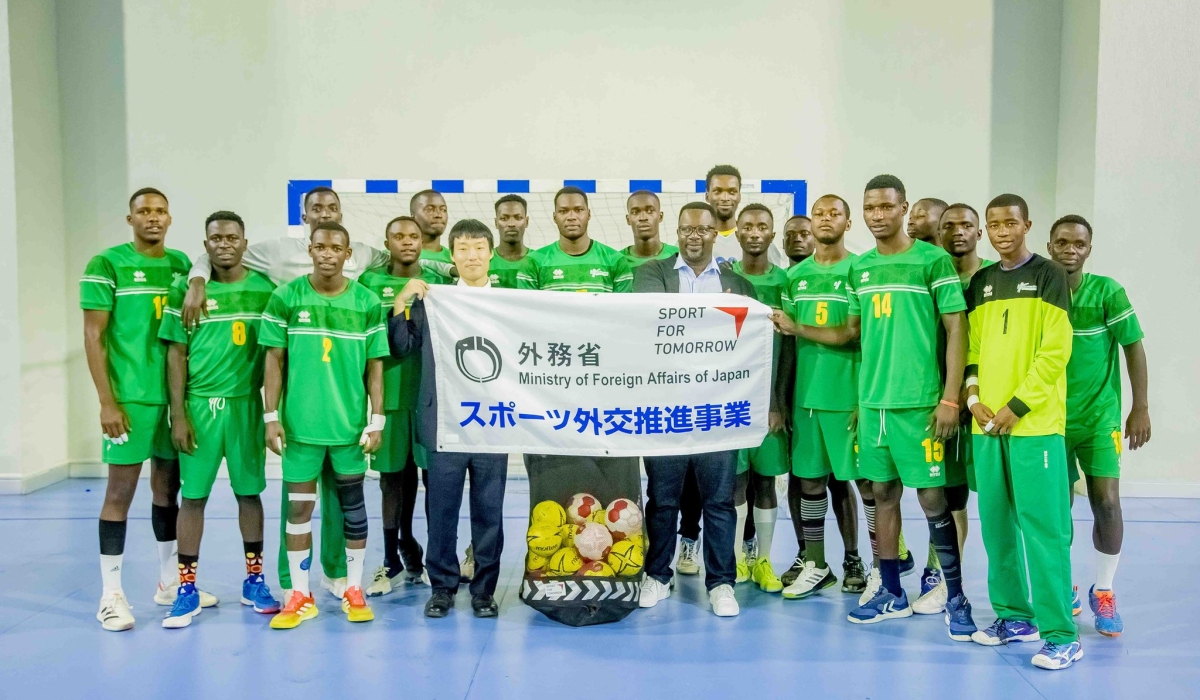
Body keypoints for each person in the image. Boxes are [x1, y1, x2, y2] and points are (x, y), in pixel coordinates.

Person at [179, 186, 447, 598]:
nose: (325, 217)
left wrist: (449, 271)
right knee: (298, 499)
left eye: (332, 209)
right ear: (305, 226)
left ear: (346, 249)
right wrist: (197, 279)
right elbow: (218, 251)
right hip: (302, 402)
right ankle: (291, 584)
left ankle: (338, 575)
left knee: (343, 498)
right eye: (316, 210)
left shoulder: (364, 268)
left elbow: (407, 258)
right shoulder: (275, 262)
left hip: (346, 400)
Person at [772, 175, 975, 639]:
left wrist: (949, 397)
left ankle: (957, 597)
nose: (877, 215)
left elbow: (956, 330)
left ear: (903, 208)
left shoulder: (932, 260)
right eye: (871, 208)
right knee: (882, 496)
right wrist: (799, 330)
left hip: (920, 404)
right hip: (872, 405)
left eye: (886, 206)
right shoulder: (859, 270)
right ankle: (890, 593)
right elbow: (851, 333)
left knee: (931, 499)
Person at [81, 188, 213, 631]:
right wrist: (106, 401)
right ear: (130, 218)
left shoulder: (180, 264)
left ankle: (168, 583)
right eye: (144, 212)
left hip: (175, 396)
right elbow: (93, 337)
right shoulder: (107, 264)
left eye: (160, 211)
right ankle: (111, 595)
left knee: (166, 490)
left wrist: (197, 279)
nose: (152, 218)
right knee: (120, 493)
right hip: (130, 398)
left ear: (170, 219)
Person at [965, 194, 1081, 670]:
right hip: (987, 427)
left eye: (1010, 222)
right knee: (996, 527)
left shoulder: (1050, 276)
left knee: (1044, 531)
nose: (1001, 230)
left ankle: (1061, 634)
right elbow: (972, 349)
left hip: (1036, 427)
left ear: (1027, 224)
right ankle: (1014, 617)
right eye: (993, 224)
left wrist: (1017, 405)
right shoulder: (982, 281)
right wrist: (973, 399)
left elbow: (1055, 352)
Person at [260, 222, 389, 628]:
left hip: (349, 430)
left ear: (348, 254)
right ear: (310, 250)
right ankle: (298, 594)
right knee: (298, 511)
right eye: (320, 247)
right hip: (300, 430)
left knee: (353, 512)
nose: (328, 253)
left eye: (336, 247)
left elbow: (376, 367)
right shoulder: (285, 297)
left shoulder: (367, 302)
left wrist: (377, 420)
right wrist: (271, 416)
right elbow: (273, 361)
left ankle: (353, 588)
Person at [634, 202, 756, 617]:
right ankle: (657, 575)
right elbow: (654, 324)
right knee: (662, 498)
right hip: (664, 408)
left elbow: (750, 348)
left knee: (719, 501)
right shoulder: (652, 274)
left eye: (703, 229)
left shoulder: (739, 285)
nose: (694, 236)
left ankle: (721, 583)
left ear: (715, 233)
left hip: (717, 410)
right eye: (687, 229)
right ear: (678, 231)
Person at [158, 211, 279, 627]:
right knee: (193, 498)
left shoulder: (265, 290)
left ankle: (254, 579)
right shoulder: (185, 290)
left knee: (249, 494)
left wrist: (271, 413)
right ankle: (187, 588)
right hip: (199, 407)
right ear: (205, 245)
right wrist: (178, 414)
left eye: (232, 237)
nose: (224, 244)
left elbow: (276, 357)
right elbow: (175, 353)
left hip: (245, 406)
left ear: (245, 243)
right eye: (215, 238)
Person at [388, 219, 508, 619]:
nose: (471, 256)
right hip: (445, 423)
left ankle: (484, 590)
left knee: (489, 510)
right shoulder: (432, 302)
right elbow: (402, 346)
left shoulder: (511, 304)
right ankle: (441, 587)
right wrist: (401, 302)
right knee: (441, 509)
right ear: (451, 256)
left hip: (495, 422)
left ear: (491, 253)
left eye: (478, 248)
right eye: (463, 249)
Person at [1048, 213, 1151, 637]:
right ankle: (1066, 586)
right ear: (1050, 245)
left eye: (1079, 243)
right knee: (1055, 508)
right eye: (1063, 242)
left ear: (1089, 249)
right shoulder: (1039, 291)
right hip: (1048, 418)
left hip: (1098, 419)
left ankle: (1104, 591)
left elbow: (1133, 347)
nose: (1071, 249)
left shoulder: (1107, 292)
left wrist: (1139, 406)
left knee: (1106, 501)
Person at [777, 194, 870, 599]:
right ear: (810, 222)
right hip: (805, 400)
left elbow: (855, 334)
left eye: (835, 214)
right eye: (819, 214)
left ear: (848, 223)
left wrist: (864, 400)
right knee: (810, 482)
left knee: (867, 485)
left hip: (847, 398)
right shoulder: (793, 279)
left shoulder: (860, 269)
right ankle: (816, 563)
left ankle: (865, 561)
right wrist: (782, 401)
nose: (826, 219)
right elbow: (783, 347)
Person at [910, 203, 993, 615]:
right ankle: (940, 574)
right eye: (948, 227)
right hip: (943, 399)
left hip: (985, 402)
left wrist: (966, 395)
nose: (957, 232)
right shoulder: (932, 273)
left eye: (965, 225)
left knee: (991, 498)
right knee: (943, 492)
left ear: (979, 232)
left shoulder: (992, 276)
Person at [358, 217, 430, 597]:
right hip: (386, 398)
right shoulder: (369, 284)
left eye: (413, 236)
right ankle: (391, 560)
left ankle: (431, 555)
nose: (406, 242)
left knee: (432, 480)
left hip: (429, 398)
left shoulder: (440, 284)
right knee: (392, 481)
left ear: (422, 241)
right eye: (398, 236)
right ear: (386, 241)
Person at [729, 203, 792, 593]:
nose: (755, 232)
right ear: (736, 233)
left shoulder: (786, 281)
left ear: (772, 235)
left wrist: (777, 403)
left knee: (765, 483)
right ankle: (736, 558)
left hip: (769, 404)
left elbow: (789, 350)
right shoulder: (723, 280)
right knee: (735, 484)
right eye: (747, 226)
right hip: (732, 403)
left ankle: (764, 560)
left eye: (762, 227)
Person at [704, 164, 787, 266]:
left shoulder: (761, 241)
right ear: (707, 196)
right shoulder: (696, 240)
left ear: (739, 196)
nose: (725, 198)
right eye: (718, 191)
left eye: (732, 192)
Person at [622, 190, 678, 268]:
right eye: (635, 212)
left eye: (650, 211)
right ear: (628, 219)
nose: (643, 218)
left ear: (660, 216)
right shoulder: (616, 261)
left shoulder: (679, 256)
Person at [412, 189, 456, 285]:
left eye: (443, 210)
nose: (438, 215)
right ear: (413, 216)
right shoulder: (394, 257)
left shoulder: (455, 258)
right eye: (429, 209)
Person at [489, 194, 530, 288]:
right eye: (504, 218)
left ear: (526, 221)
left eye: (518, 218)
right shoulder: (484, 261)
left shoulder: (538, 261)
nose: (511, 224)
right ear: (496, 223)